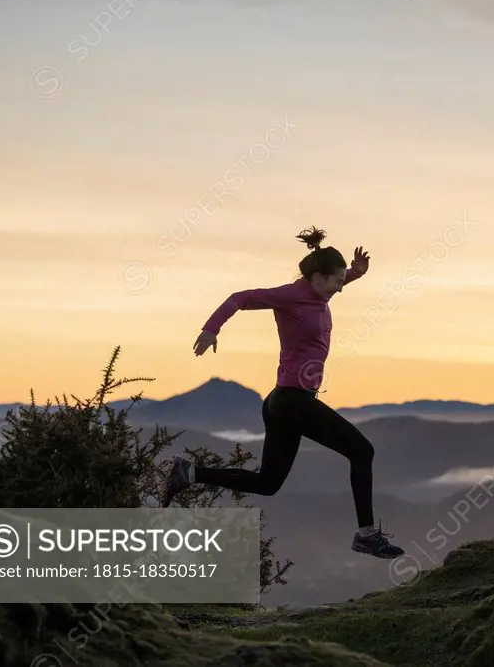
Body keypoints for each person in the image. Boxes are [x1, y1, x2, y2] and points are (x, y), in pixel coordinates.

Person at [160, 226, 404, 560]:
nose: (339, 287)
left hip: (283, 402)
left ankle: (189, 472)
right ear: (317, 278)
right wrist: (210, 329)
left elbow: (337, 279)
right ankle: (366, 535)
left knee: (268, 483)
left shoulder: (319, 291)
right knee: (362, 451)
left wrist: (356, 273)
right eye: (336, 282)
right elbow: (239, 298)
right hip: (293, 400)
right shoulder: (290, 295)